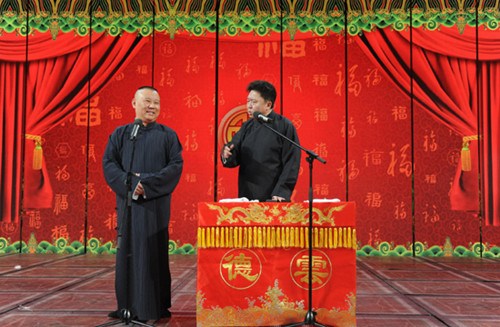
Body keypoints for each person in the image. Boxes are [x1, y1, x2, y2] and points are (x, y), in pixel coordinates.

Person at [102, 86, 183, 322]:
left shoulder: (168, 135)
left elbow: (175, 167)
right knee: (127, 253)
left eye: (156, 103)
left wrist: (145, 185)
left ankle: (153, 307)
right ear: (133, 103)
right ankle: (126, 307)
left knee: (152, 253)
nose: (152, 106)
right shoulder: (121, 134)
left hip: (154, 206)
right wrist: (132, 183)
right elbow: (109, 164)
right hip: (128, 204)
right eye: (147, 101)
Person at [221, 80, 301, 202]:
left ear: (268, 104)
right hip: (247, 195)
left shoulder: (284, 126)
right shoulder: (247, 126)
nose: (249, 105)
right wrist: (227, 153)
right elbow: (233, 152)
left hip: (274, 196)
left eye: (254, 102)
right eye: (248, 101)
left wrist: (282, 191)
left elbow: (291, 161)